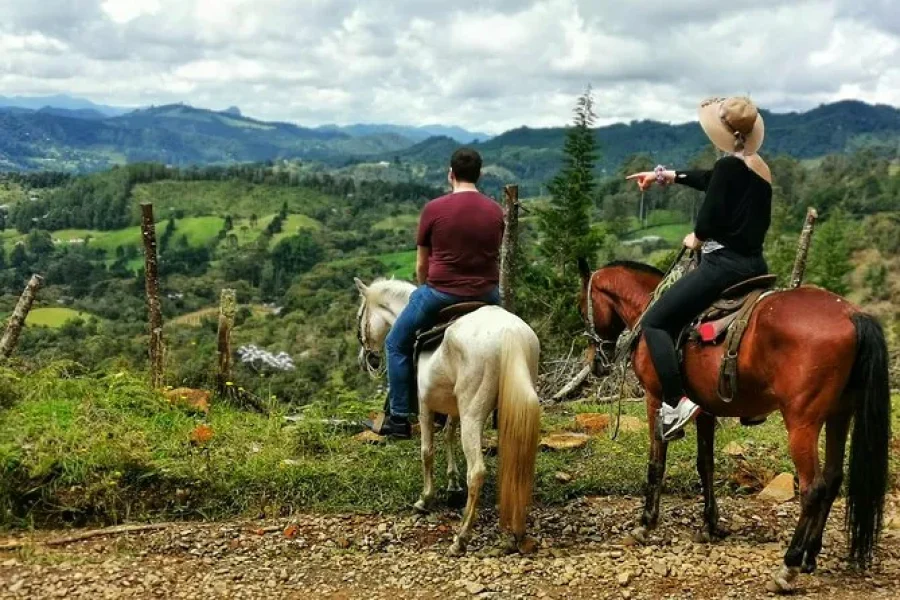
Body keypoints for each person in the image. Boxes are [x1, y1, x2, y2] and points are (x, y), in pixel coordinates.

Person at [626, 96, 773, 442]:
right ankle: (753, 397)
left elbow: (708, 215)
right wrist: (666, 176)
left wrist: (698, 236)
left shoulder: (729, 167)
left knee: (656, 322)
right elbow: (712, 178)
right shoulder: (758, 166)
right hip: (755, 264)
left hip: (723, 265)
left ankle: (676, 402)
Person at [364, 148, 505, 439]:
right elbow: (493, 255)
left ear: (450, 174)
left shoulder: (434, 209)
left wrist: (426, 286)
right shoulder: (495, 211)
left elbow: (421, 264)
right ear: (480, 174)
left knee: (395, 343)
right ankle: (503, 411)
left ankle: (400, 419)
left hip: (441, 293)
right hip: (488, 294)